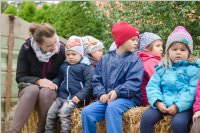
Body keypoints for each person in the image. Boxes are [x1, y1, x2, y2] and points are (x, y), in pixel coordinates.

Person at [81, 21, 144, 133]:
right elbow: (96, 80)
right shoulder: (105, 59)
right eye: (133, 40)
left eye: (137, 40)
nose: (136, 43)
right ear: (122, 40)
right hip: (108, 99)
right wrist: (101, 94)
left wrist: (117, 92)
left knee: (113, 108)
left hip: (128, 98)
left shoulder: (135, 60)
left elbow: (134, 83)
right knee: (87, 112)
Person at [140, 26, 200, 133]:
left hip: (183, 107)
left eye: (183, 50)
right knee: (146, 118)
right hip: (163, 103)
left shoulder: (193, 69)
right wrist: (158, 102)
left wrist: (177, 106)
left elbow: (192, 91)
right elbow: (152, 86)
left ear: (189, 52)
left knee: (178, 123)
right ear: (168, 51)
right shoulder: (162, 68)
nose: (178, 52)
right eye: (174, 49)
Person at [10, 23, 65, 133]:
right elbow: (20, 76)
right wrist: (38, 81)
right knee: (33, 90)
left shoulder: (62, 50)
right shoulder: (26, 49)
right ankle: (14, 131)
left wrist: (53, 82)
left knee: (46, 92)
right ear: (39, 44)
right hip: (29, 87)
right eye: (49, 46)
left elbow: (63, 73)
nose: (55, 47)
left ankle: (42, 129)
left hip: (50, 88)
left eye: (55, 42)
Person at [44, 35, 94, 133]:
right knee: (50, 114)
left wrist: (79, 97)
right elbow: (59, 77)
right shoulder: (64, 66)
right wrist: (55, 82)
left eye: (74, 54)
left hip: (75, 99)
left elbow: (89, 85)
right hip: (62, 96)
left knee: (63, 113)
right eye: (68, 54)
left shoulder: (86, 67)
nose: (70, 57)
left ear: (81, 54)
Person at [138, 32, 163, 106]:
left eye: (162, 46)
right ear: (146, 48)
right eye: (157, 46)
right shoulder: (149, 62)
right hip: (150, 99)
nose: (161, 49)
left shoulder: (145, 59)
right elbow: (160, 81)